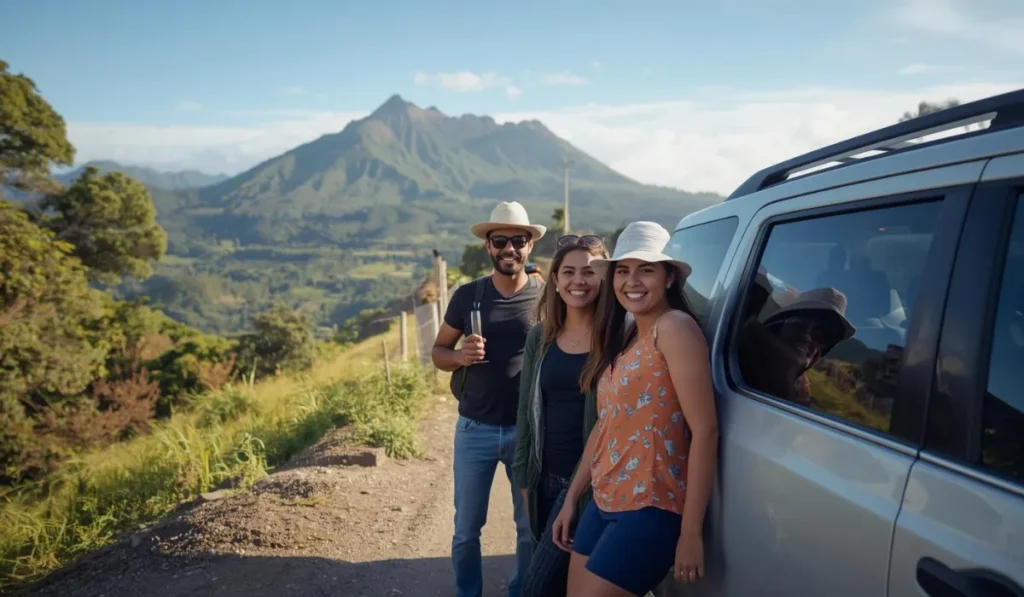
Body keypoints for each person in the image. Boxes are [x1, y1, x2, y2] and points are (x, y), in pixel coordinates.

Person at [551, 221, 720, 597]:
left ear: (669, 278)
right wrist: (573, 499)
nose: (633, 281)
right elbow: (605, 424)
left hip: (650, 507)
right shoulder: (629, 334)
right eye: (623, 271)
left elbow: (706, 431)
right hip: (604, 498)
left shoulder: (674, 328)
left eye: (646, 270)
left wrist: (690, 532)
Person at [432, 200, 546, 597]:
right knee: (466, 531)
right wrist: (459, 356)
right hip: (474, 430)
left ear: (530, 245)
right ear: (488, 246)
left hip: (527, 433)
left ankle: (523, 591)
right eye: (501, 240)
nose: (510, 248)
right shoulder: (468, 297)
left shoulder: (547, 298)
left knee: (529, 529)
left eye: (519, 239)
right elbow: (438, 353)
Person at [514, 234, 609, 597]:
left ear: (603, 277)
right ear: (555, 281)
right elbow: (526, 412)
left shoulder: (618, 336)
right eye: (568, 272)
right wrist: (525, 480)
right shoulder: (541, 336)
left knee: (538, 587)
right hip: (546, 477)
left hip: (592, 484)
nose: (578, 281)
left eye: (589, 272)